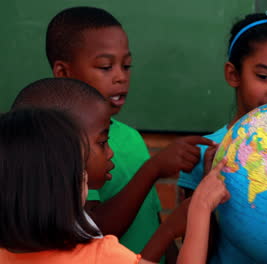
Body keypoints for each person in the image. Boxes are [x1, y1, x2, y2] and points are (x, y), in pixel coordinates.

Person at [46, 7, 213, 257]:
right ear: (63, 73)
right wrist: (153, 169)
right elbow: (94, 230)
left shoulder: (131, 138)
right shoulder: (63, 144)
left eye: (126, 66)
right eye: (105, 67)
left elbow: (151, 219)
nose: (120, 77)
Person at [0, 108, 229, 264]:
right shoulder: (101, 256)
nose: (85, 177)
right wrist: (200, 207)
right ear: (58, 190)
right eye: (79, 170)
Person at [178, 10, 267, 195]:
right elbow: (187, 223)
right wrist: (207, 186)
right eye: (264, 76)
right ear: (233, 75)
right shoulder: (205, 153)